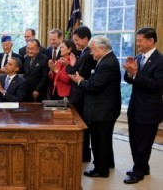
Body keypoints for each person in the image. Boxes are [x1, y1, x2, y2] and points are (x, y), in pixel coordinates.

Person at [70, 35, 121, 178]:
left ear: (102, 48)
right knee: (103, 140)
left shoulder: (107, 63)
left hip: (103, 109)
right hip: (103, 108)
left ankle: (101, 170)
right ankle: (106, 164)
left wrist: (79, 81)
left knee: (100, 141)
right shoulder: (105, 60)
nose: (91, 53)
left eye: (92, 50)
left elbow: (95, 86)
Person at [123, 27, 163, 184]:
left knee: (144, 143)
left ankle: (138, 172)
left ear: (151, 40)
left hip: (149, 109)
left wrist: (137, 74)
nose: (137, 43)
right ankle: (141, 166)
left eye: (140, 40)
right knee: (134, 140)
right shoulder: (138, 57)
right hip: (135, 106)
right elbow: (129, 80)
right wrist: (129, 73)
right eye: (137, 40)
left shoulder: (160, 60)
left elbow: (158, 86)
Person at [65, 26, 97, 162]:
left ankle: (84, 155)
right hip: (80, 95)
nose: (75, 43)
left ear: (85, 39)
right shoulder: (84, 52)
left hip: (82, 97)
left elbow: (76, 73)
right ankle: (83, 154)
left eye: (77, 40)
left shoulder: (87, 54)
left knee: (83, 127)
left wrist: (71, 64)